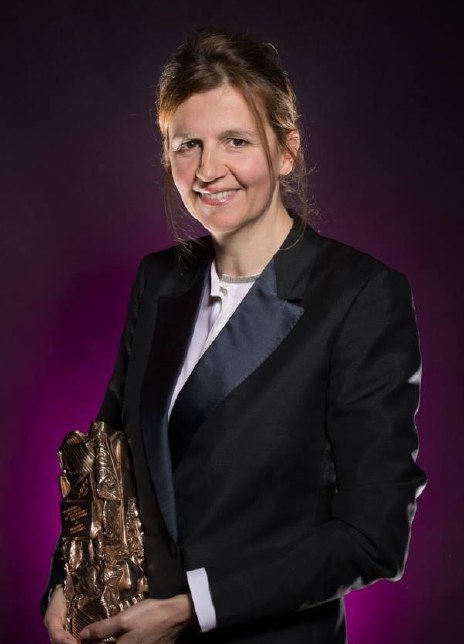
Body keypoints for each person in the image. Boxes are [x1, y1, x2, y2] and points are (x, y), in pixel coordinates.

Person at [42, 28, 426, 644]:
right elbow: (108, 455)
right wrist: (68, 577)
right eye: (187, 145)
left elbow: (373, 535)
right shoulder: (157, 280)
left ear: (286, 151)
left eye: (236, 141)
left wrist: (191, 607)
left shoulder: (361, 296)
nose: (207, 170)